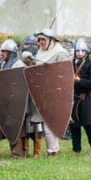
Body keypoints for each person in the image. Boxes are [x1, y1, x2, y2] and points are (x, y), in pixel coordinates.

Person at [30, 27, 70, 157]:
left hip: (55, 93)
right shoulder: (41, 52)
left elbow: (65, 74)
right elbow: (36, 70)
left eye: (43, 39)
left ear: (50, 40)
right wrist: (29, 60)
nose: (40, 42)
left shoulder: (60, 53)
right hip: (42, 92)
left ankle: (53, 151)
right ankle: (49, 150)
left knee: (50, 122)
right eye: (39, 39)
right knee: (43, 122)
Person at [0, 38, 32, 158]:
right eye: (1, 51)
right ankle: (19, 152)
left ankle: (17, 153)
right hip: (10, 101)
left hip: (18, 101)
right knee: (14, 127)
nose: (1, 53)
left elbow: (21, 84)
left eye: (4, 51)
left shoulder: (18, 64)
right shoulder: (5, 64)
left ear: (11, 53)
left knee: (16, 128)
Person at [69, 38, 91, 155]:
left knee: (88, 124)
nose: (80, 53)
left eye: (82, 51)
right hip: (74, 98)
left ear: (86, 52)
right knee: (74, 125)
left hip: (86, 98)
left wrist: (80, 80)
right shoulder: (70, 64)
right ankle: (76, 149)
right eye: (78, 51)